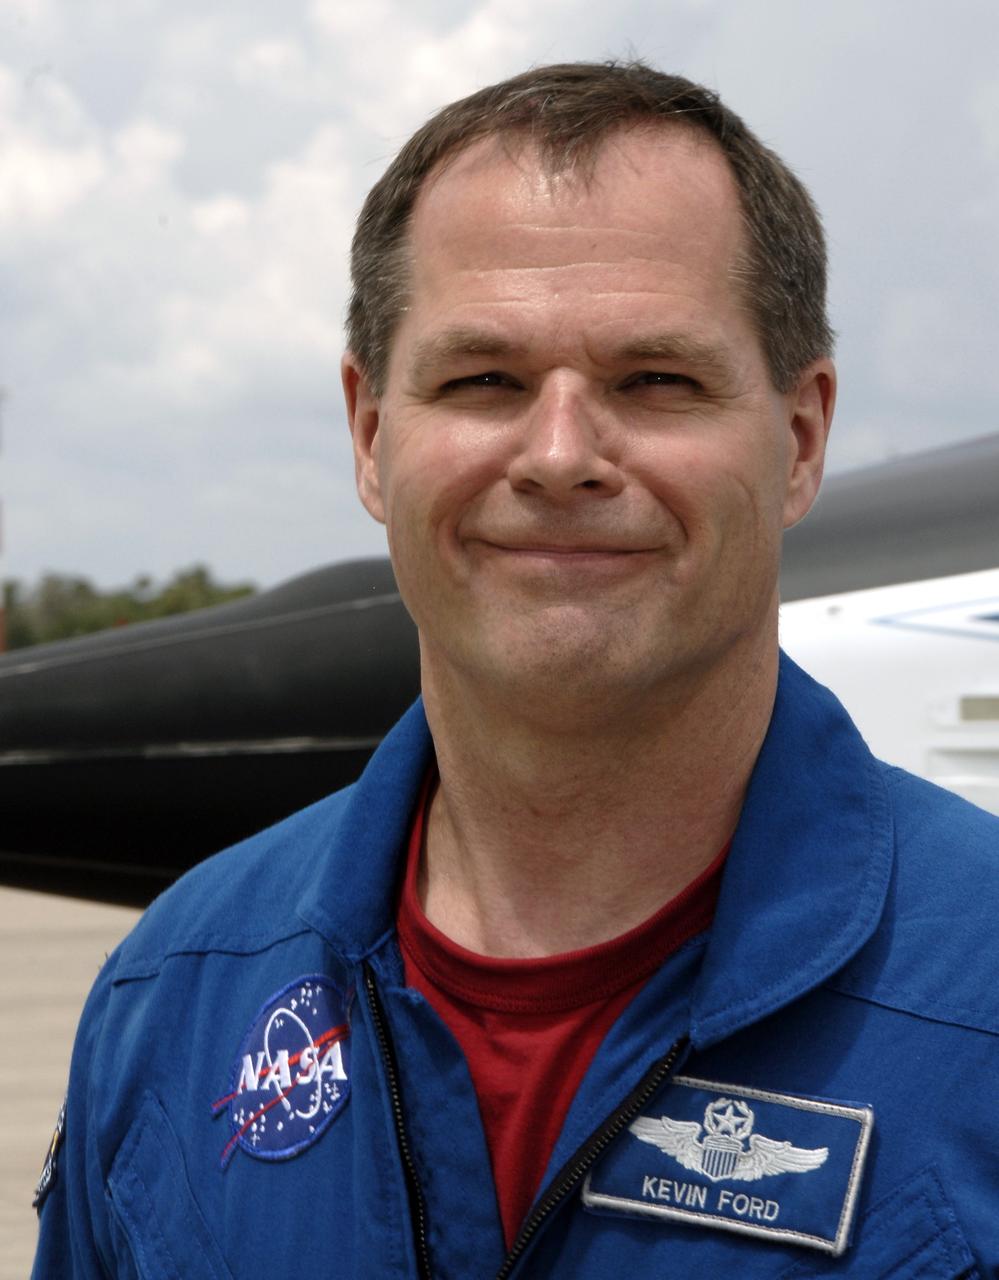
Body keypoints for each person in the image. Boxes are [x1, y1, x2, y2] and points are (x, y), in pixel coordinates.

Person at [33, 61, 998, 1278]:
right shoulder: (176, 993)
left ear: (798, 439)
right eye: (482, 379)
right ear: (374, 436)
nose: (558, 454)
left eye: (657, 379)